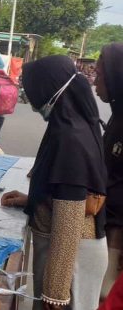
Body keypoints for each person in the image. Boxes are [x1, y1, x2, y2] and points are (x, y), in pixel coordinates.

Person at [1, 55, 108, 310]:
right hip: (65, 246)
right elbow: (69, 190)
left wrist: (56, 291)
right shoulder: (73, 124)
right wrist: (33, 200)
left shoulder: (70, 138)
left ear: (46, 91)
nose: (32, 101)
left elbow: (69, 221)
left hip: (70, 255)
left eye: (31, 91)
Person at [94, 43, 123, 298]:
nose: (95, 82)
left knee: (105, 295)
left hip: (116, 234)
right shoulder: (117, 116)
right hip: (106, 227)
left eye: (99, 75)